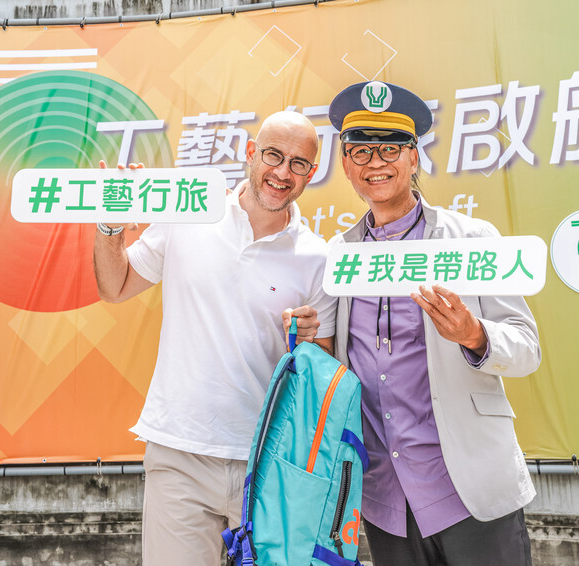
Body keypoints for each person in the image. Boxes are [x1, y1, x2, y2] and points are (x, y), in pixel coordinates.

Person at [93, 111, 337, 565]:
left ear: (312, 172)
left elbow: (323, 369)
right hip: (180, 450)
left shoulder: (318, 258)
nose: (283, 172)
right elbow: (115, 286)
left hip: (271, 460)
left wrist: (308, 342)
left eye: (298, 163)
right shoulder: (188, 215)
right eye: (273, 155)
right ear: (250, 153)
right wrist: (110, 227)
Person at [327, 82, 541, 565]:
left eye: (390, 149)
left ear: (414, 157)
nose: (375, 163)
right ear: (346, 164)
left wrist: (474, 335)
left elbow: (527, 348)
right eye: (360, 150)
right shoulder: (338, 256)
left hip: (470, 487)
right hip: (387, 496)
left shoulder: (471, 240)